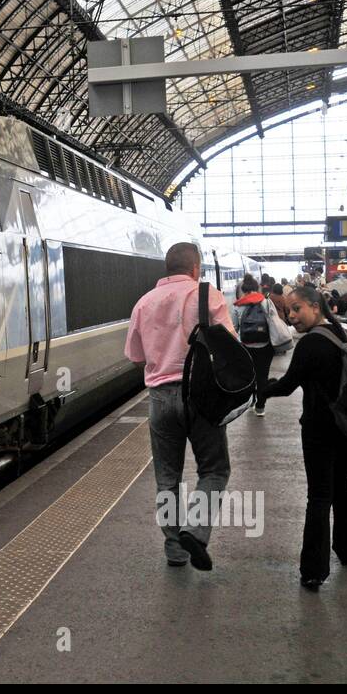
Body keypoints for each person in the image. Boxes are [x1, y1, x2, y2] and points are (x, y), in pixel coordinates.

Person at [125, 241, 235, 571]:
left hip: (160, 399)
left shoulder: (143, 303)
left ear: (167, 268)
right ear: (195, 269)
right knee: (214, 470)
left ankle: (174, 549)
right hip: (201, 397)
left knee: (167, 478)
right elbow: (230, 344)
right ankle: (196, 531)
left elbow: (135, 356)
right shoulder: (207, 295)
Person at [259, 285, 347, 591]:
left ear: (316, 307)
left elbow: (289, 385)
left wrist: (261, 389)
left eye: (297, 308)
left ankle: (314, 570)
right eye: (289, 310)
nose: (291, 316)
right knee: (342, 485)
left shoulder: (310, 344)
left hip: (318, 429)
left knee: (318, 496)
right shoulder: (339, 334)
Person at [231, 274, 278, 416]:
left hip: (246, 347)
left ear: (243, 290)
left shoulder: (238, 306)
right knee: (262, 377)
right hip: (265, 346)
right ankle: (260, 407)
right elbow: (274, 322)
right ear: (256, 288)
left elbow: (233, 329)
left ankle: (251, 400)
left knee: (250, 376)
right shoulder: (267, 302)